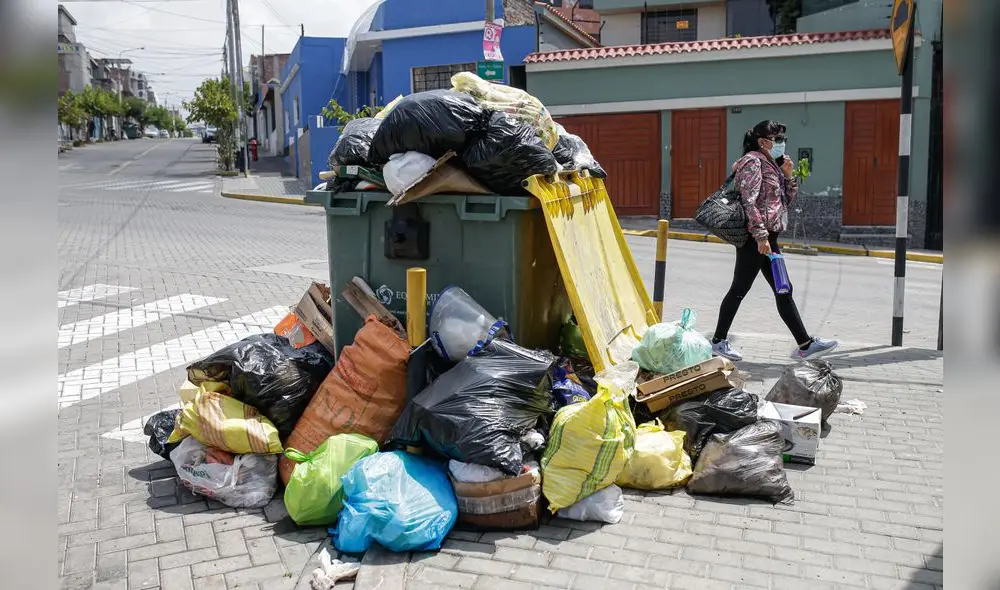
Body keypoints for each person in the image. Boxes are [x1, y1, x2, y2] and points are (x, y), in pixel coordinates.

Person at [710, 120, 838, 361]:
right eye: (776, 138)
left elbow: (783, 203)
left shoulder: (772, 164)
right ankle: (718, 341)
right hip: (755, 238)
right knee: (740, 289)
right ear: (763, 141)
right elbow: (749, 200)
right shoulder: (752, 162)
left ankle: (805, 344)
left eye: (782, 138)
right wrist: (760, 235)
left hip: (769, 238)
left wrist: (788, 176)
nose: (781, 143)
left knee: (783, 289)